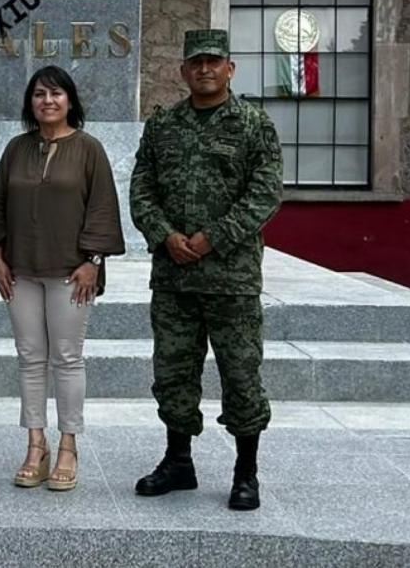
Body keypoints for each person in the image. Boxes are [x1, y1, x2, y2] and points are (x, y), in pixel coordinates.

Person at [129, 28, 283, 511]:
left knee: (241, 375)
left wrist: (213, 237)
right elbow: (141, 189)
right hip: (174, 278)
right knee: (173, 373)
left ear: (230, 68)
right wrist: (165, 235)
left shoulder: (254, 124)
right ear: (183, 71)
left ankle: (245, 472)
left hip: (231, 279)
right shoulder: (163, 126)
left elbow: (265, 193)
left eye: (213, 62)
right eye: (196, 63)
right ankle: (179, 462)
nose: (204, 69)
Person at [0, 65, 124, 492]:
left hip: (71, 272)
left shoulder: (89, 149)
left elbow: (102, 206)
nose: (48, 101)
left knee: (66, 357)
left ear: (70, 101)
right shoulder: (16, 149)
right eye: (40, 94)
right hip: (21, 270)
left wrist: (93, 260)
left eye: (56, 94)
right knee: (29, 357)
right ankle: (35, 444)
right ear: (30, 102)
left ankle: (68, 445)